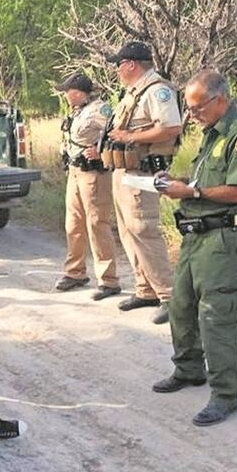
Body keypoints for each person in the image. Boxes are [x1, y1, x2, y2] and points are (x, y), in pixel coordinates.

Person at [153, 70, 237, 426]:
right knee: (182, 306)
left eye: (197, 107)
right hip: (194, 236)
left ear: (219, 99)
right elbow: (205, 180)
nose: (192, 115)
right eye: (188, 108)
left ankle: (226, 394)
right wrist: (178, 183)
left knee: (217, 316)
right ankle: (189, 369)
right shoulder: (212, 133)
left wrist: (191, 192)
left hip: (222, 239)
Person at [103, 41, 182, 324]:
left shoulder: (157, 91)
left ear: (131, 64)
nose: (116, 70)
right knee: (127, 231)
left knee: (144, 231)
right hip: (125, 171)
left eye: (118, 65)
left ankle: (171, 297)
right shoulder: (133, 92)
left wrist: (131, 138)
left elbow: (171, 127)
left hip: (143, 173)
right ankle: (145, 289)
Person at [53, 73, 121, 301]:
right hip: (75, 171)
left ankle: (108, 279)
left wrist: (102, 152)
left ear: (77, 92)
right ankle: (75, 272)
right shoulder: (77, 110)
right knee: (73, 224)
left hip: (93, 174)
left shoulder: (100, 110)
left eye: (67, 91)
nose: (64, 95)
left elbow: (117, 133)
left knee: (96, 224)